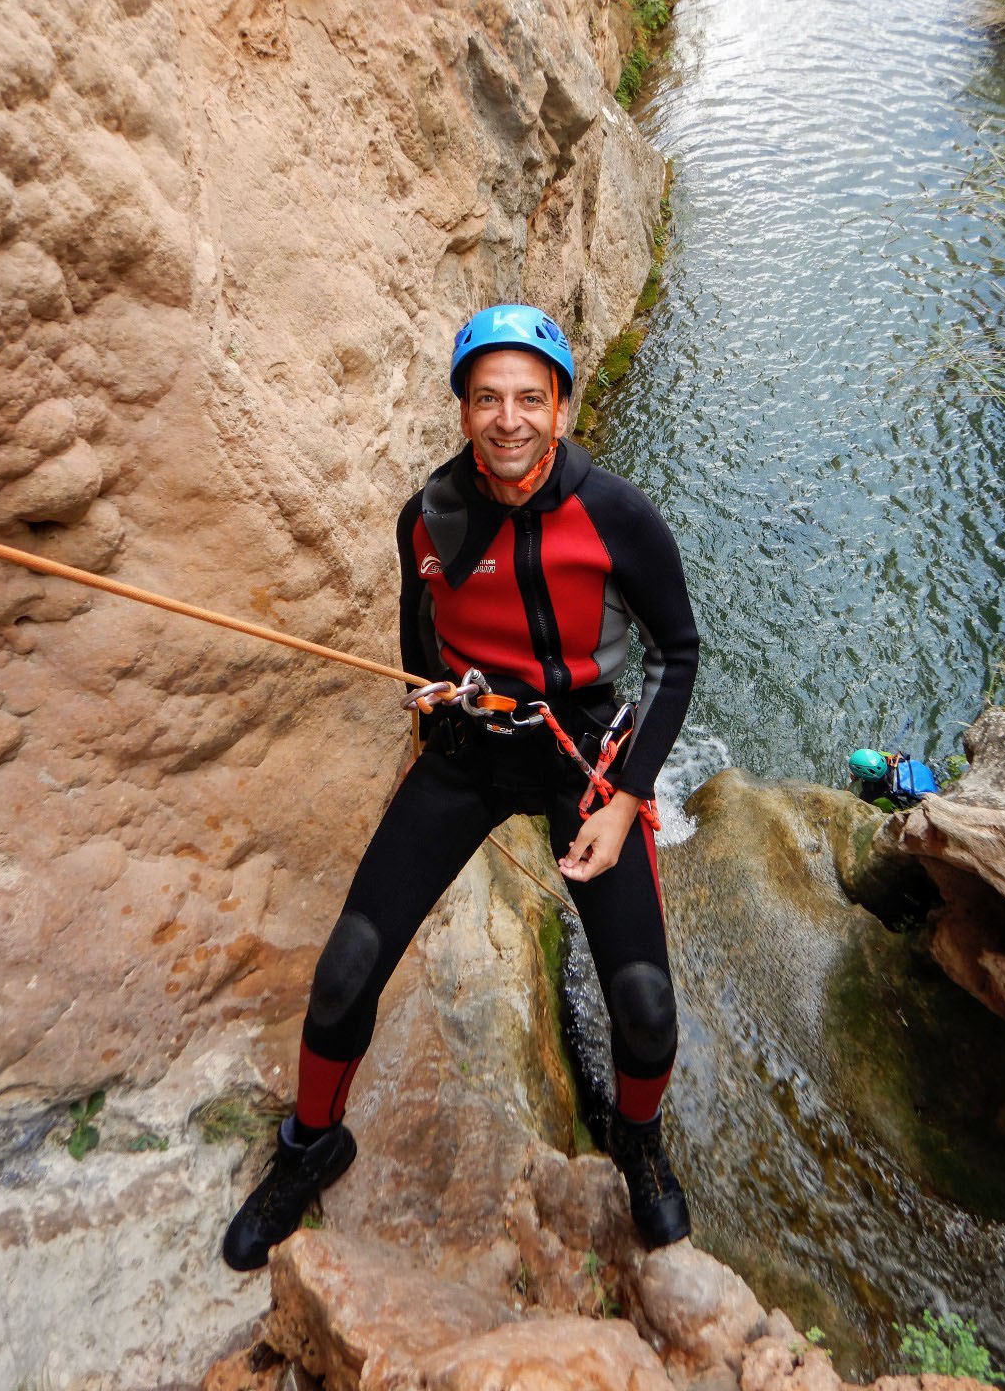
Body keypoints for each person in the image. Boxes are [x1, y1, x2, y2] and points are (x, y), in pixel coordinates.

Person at [223, 303, 701, 1270]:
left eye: (531, 397)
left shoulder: (617, 516)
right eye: (488, 398)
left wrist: (622, 798)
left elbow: (676, 654)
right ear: (464, 413)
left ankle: (638, 1140)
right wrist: (427, 725)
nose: (510, 418)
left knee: (645, 1005)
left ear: (562, 409)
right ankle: (312, 1144)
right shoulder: (431, 518)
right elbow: (419, 636)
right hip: (470, 753)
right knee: (345, 972)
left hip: (583, 758)